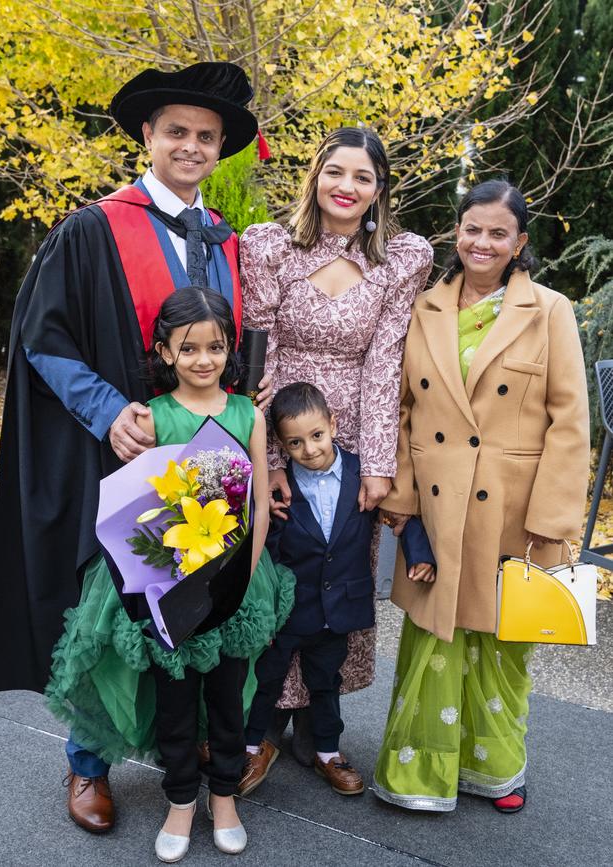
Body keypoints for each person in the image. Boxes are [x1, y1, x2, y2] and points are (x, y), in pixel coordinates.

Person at [0, 61, 272, 831]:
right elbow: (43, 337)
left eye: (207, 137)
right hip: (120, 452)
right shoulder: (95, 226)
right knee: (107, 609)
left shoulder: (224, 239)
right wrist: (109, 411)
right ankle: (88, 763)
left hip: (204, 457)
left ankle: (194, 749)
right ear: (148, 135)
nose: (193, 146)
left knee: (195, 602)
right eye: (177, 131)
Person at [46, 286, 295, 860]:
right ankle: (180, 801)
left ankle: (224, 798)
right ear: (165, 353)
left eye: (214, 347)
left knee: (230, 699)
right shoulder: (151, 418)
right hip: (169, 581)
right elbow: (141, 507)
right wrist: (169, 580)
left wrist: (245, 572)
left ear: (230, 348)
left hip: (236, 579)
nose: (203, 359)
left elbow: (257, 501)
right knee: (177, 699)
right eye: (188, 349)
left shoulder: (247, 414)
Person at [374, 179, 590, 814]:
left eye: (499, 233)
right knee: (432, 640)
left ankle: (494, 767)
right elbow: (405, 412)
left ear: (520, 243)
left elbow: (570, 419)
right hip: (439, 507)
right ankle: (420, 774)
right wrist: (404, 502)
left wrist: (553, 518)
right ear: (456, 233)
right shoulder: (426, 307)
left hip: (512, 510)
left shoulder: (550, 310)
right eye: (473, 229)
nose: (483, 243)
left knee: (502, 644)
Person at [239, 126, 433, 755]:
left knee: (334, 573)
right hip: (281, 430)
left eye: (363, 177)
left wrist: (377, 465)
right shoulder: (272, 247)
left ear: (379, 190)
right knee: (276, 566)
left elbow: (385, 364)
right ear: (315, 176)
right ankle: (259, 720)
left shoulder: (399, 261)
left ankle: (315, 723)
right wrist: (267, 458)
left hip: (349, 431)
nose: (346, 187)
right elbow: (258, 356)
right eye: (336, 172)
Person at [239, 383, 436, 798]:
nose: (308, 449)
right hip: (288, 609)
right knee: (267, 679)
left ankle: (328, 752)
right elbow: (268, 551)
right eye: (294, 442)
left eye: (316, 436)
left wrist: (420, 555)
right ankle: (250, 747)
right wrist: (263, 610)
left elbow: (401, 517)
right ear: (280, 444)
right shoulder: (279, 488)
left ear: (333, 424)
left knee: (325, 684)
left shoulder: (362, 474)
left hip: (338, 608)